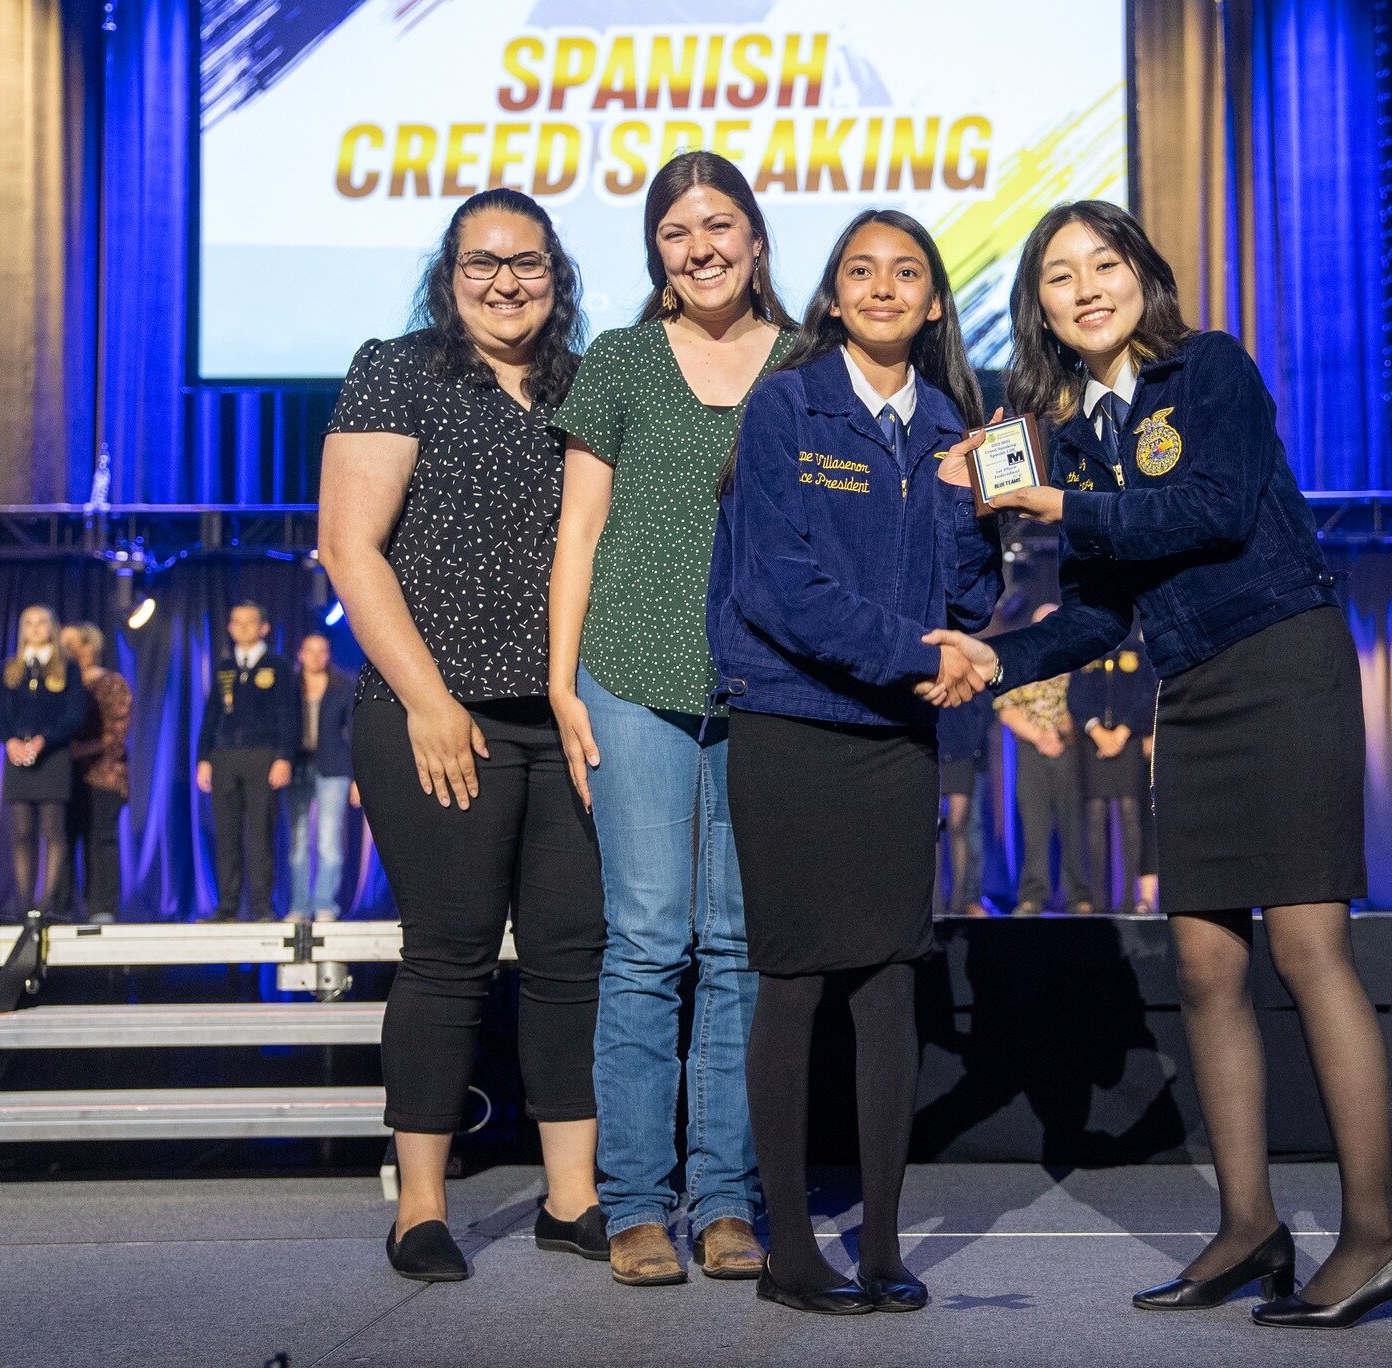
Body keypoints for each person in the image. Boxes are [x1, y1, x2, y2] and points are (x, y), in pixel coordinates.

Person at [926, 201, 1392, 1329]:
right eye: (1058, 277)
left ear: (1142, 276)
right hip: (1187, 690)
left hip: (1282, 666)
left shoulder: (1206, 368)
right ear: (1040, 310)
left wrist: (1057, 501)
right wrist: (987, 659)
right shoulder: (1085, 426)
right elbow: (1097, 607)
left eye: (1102, 263)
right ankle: (1248, 1228)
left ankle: (1375, 1236)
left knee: (1306, 952)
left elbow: (1205, 511)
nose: (1084, 287)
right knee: (1203, 968)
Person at [710, 208, 1000, 1313]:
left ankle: (881, 1247)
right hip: (788, 719)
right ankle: (791, 1254)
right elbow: (775, 590)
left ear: (931, 303)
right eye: (860, 271)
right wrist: (917, 657)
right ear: (830, 296)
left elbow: (969, 601)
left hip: (893, 737)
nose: (883, 287)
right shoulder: (786, 404)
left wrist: (962, 511)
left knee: (886, 986)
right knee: (790, 983)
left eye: (907, 272)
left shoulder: (948, 423)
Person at [319, 186, 607, 1283]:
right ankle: (422, 1209)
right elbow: (351, 549)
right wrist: (434, 702)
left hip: (568, 722)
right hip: (431, 717)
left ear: (557, 273)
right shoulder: (400, 368)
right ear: (450, 275)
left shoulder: (586, 385)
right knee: (446, 960)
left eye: (527, 262)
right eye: (481, 262)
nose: (505, 281)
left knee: (571, 960)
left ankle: (571, 1197)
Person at [547, 151, 795, 1287]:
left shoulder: (806, 362)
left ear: (754, 237)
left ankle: (728, 1201)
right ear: (655, 252)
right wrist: (560, 684)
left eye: (719, 225)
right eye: (675, 233)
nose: (699, 248)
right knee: (649, 940)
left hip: (768, 681)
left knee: (741, 945)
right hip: (631, 673)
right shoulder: (618, 362)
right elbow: (580, 533)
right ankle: (636, 1205)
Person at [195, 602, 299, 922]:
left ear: (263, 628)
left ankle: (261, 906)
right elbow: (211, 715)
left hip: (262, 756)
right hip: (224, 756)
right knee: (226, 833)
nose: (241, 628)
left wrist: (283, 757)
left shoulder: (277, 665)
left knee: (259, 833)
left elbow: (289, 715)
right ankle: (227, 906)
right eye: (235, 622)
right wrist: (204, 758)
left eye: (248, 622)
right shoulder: (225, 666)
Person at [0, 605, 88, 919]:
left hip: (52, 757)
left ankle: (47, 905)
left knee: (52, 829)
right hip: (19, 756)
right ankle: (23, 903)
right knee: (20, 832)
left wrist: (45, 739)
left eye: (41, 622)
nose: (34, 628)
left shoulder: (67, 668)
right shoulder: (10, 669)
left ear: (52, 628)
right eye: (28, 622)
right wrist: (10, 741)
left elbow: (75, 714)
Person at [995, 605, 1095, 916]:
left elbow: (1085, 703)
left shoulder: (1075, 662)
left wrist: (1061, 732)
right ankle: (1032, 895)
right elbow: (1006, 709)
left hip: (1068, 749)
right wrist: (1040, 736)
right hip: (1032, 750)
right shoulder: (1022, 663)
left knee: (1071, 825)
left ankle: (1078, 896)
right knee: (1034, 826)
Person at [1069, 633, 1157, 914]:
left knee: (1130, 812)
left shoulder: (1136, 649)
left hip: (1127, 740)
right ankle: (1098, 900)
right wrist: (1095, 729)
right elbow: (1076, 696)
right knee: (1095, 814)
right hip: (1094, 742)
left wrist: (1124, 730)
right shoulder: (1087, 648)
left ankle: (1130, 900)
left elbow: (1147, 691)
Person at [62, 622, 130, 924]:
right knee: (64, 840)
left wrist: (78, 750)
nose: (69, 650)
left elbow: (114, 735)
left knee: (101, 839)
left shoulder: (111, 683)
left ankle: (103, 907)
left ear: (91, 646)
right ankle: (61, 906)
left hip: (103, 776)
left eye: (74, 643)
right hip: (64, 778)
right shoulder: (60, 684)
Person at [287, 632, 357, 923]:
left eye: (322, 651)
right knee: (298, 840)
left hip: (334, 766)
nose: (316, 657)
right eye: (310, 651)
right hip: (298, 765)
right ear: (300, 654)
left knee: (329, 839)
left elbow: (353, 732)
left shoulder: (342, 684)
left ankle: (325, 902)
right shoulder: (289, 685)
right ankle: (299, 905)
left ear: (328, 655)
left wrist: (357, 777)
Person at [937, 693, 993, 917]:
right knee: (935, 831)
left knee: (960, 828)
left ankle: (960, 904)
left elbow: (985, 708)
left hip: (963, 753)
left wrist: (974, 746)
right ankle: (935, 904)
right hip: (935, 749)